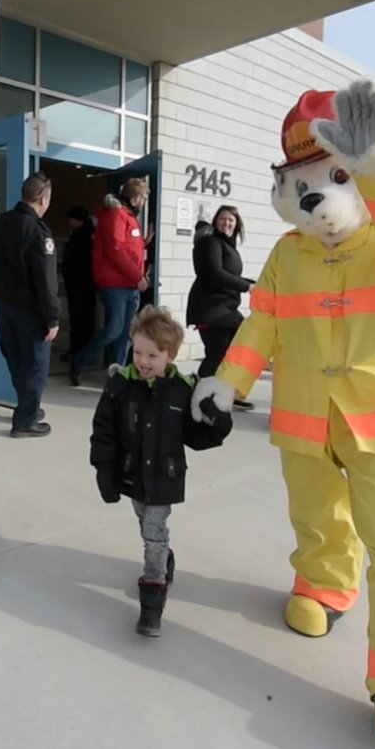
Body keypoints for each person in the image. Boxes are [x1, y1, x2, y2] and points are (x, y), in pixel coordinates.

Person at [89, 306, 232, 637]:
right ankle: (164, 557)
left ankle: (152, 599)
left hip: (163, 479)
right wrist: (104, 472)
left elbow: (196, 438)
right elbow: (103, 432)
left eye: (153, 354)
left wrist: (218, 424)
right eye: (138, 352)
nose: (143, 360)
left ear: (171, 355)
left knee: (153, 532)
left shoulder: (182, 390)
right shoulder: (119, 387)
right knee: (145, 524)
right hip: (131, 475)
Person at [0, 172, 60, 438]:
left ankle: (29, 406)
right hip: (31, 312)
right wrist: (52, 318)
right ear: (43, 198)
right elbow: (46, 280)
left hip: (3, 307)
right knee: (36, 366)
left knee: (16, 360)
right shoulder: (38, 231)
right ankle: (25, 421)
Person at [69, 178, 149, 385]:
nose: (144, 202)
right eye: (144, 198)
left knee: (126, 334)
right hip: (116, 283)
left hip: (129, 284)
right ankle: (80, 361)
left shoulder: (128, 217)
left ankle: (117, 374)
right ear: (136, 197)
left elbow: (129, 249)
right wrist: (137, 276)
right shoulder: (117, 215)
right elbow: (115, 250)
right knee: (114, 329)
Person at [186, 205, 255, 410]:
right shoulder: (210, 242)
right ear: (216, 221)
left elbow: (230, 276)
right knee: (217, 354)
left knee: (235, 352)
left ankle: (227, 392)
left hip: (225, 308)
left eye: (231, 220)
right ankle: (197, 395)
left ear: (237, 225)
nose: (227, 223)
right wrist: (247, 287)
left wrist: (255, 284)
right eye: (223, 219)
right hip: (211, 308)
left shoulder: (228, 246)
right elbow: (214, 273)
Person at [62, 205, 97, 360]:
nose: (69, 221)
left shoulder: (86, 237)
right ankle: (76, 350)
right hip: (76, 285)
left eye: (71, 218)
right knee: (76, 320)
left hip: (83, 285)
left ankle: (83, 353)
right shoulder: (79, 234)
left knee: (83, 321)